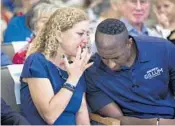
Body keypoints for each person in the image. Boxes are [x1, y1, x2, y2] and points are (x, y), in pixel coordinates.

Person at [85, 18, 175, 125]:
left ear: (129, 43)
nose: (111, 65)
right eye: (104, 58)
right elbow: (118, 120)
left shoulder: (163, 49)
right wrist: (158, 123)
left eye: (116, 57)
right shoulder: (91, 71)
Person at [20, 7, 93, 125]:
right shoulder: (37, 62)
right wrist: (73, 78)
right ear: (59, 35)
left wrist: (76, 74)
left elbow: (81, 112)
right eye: (80, 34)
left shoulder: (76, 66)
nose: (85, 40)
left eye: (87, 34)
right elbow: (50, 116)